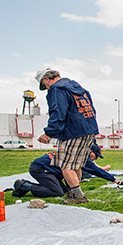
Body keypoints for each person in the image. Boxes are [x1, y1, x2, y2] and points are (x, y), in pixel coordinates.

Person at [35, 67, 99, 204]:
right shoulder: (77, 87)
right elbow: (92, 109)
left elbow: (58, 113)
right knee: (76, 164)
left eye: (44, 85)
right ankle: (74, 192)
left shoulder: (57, 89)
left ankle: (78, 197)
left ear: (46, 79)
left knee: (65, 165)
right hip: (88, 128)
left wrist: (49, 133)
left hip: (73, 131)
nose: (46, 89)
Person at [12, 144, 123, 198]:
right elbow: (97, 171)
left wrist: (116, 181)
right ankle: (24, 185)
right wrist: (117, 182)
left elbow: (97, 170)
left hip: (52, 171)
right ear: (90, 152)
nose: (96, 158)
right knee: (56, 193)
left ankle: (28, 186)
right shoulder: (81, 156)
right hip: (41, 169)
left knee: (65, 192)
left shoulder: (78, 153)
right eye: (96, 155)